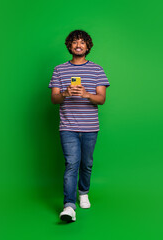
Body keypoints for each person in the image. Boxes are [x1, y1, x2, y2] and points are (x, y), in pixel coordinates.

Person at [48, 30, 110, 222]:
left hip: (90, 127)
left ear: (88, 46)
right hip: (68, 127)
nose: (78, 45)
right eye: (75, 42)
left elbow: (101, 99)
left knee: (87, 164)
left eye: (82, 42)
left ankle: (83, 192)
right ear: (69, 46)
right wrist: (66, 93)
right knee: (71, 163)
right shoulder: (59, 70)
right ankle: (69, 206)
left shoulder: (97, 70)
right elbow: (54, 99)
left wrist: (86, 94)